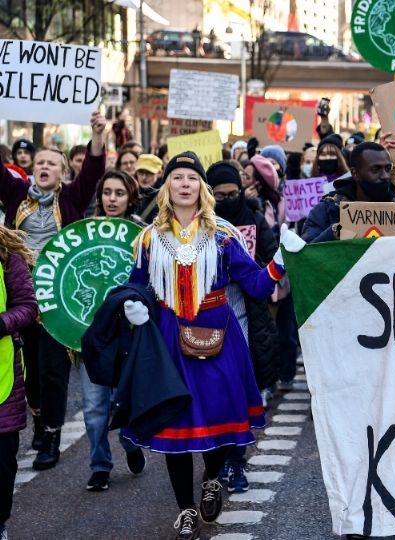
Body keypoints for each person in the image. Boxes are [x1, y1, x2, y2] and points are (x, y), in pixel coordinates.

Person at [123, 151, 296, 539]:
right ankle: (185, 510)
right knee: (176, 426)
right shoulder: (149, 238)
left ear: (202, 187)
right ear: (167, 187)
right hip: (168, 337)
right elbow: (137, 282)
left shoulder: (223, 235)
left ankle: (214, 478)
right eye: (177, 177)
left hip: (219, 337)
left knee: (219, 417)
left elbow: (255, 284)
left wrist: (281, 261)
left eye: (192, 178)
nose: (185, 184)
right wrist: (134, 302)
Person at [0, 111, 106, 470]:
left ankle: (52, 435)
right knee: (28, 369)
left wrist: (96, 136)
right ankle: (39, 417)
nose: (44, 167)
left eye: (52, 163)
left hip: (57, 297)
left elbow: (92, 172)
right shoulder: (15, 193)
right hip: (21, 294)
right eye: (40, 163)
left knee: (53, 368)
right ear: (31, 169)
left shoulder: (72, 199)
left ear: (63, 172)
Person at [207, 160, 280, 495]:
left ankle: (235, 460)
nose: (226, 199)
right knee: (212, 396)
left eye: (232, 193)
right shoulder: (198, 229)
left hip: (246, 315)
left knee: (237, 392)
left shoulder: (252, 218)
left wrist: (263, 273)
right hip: (205, 320)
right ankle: (216, 459)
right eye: (218, 195)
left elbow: (269, 256)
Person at [80, 169, 145, 492]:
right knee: (94, 409)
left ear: (130, 196)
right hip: (92, 336)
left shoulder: (144, 235)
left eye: (119, 193)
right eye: (107, 192)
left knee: (126, 407)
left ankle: (130, 443)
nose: (112, 199)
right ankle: (100, 465)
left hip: (129, 339)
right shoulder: (81, 233)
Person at [302, 142, 395, 243]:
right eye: (375, 169)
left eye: (387, 169)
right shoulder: (325, 212)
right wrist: (334, 233)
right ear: (355, 173)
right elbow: (306, 258)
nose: (385, 176)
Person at [0, 225, 39, 540]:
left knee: (2, 464)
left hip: (3, 378)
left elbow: (28, 306)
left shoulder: (7, 255)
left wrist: (2, 323)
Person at [245, 156, 286, 231]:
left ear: (258, 184)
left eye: (247, 177)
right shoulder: (241, 199)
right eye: (242, 174)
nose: (242, 180)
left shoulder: (279, 204)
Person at [134, 154, 165, 223]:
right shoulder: (131, 192)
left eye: (149, 173)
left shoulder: (166, 196)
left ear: (160, 173)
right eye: (140, 172)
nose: (144, 177)